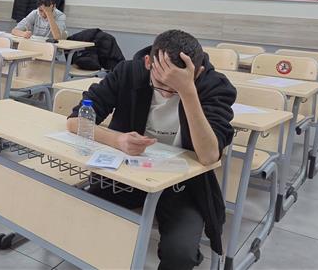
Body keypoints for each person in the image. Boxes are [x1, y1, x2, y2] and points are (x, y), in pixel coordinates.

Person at [66, 29, 236, 270]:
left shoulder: (214, 86)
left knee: (181, 253)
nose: (166, 94)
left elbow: (209, 156)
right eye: (160, 84)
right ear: (148, 63)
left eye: (174, 88)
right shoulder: (128, 72)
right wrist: (118, 140)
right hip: (126, 175)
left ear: (197, 73)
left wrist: (188, 92)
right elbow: (75, 121)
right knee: (82, 217)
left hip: (183, 185)